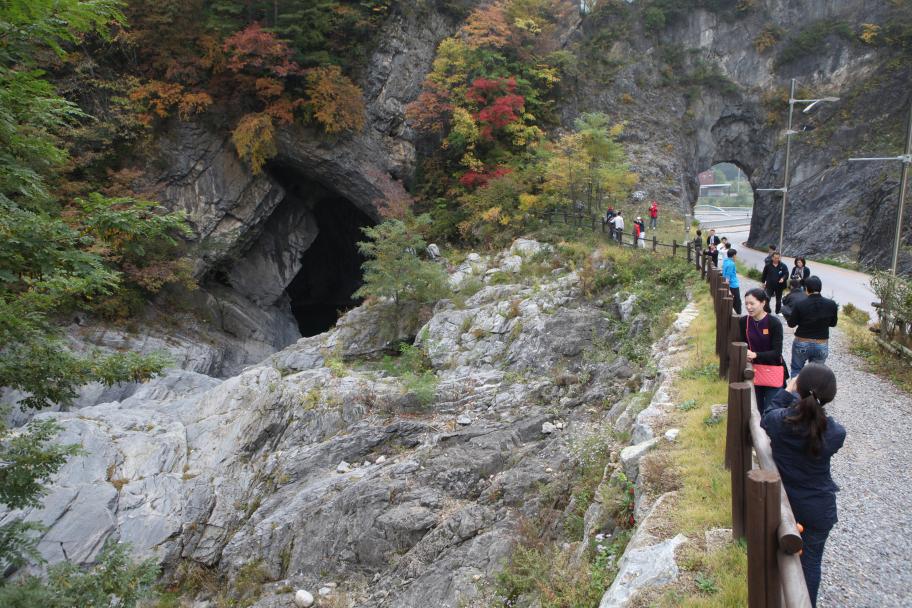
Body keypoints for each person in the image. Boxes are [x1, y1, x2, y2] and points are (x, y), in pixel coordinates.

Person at [760, 364, 845, 606]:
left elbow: (767, 415)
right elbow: (820, 428)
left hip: (785, 501)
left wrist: (787, 391)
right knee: (811, 564)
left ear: (798, 388)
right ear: (830, 396)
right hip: (818, 508)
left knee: (777, 557)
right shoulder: (836, 432)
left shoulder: (781, 421)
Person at [739, 288, 787, 414]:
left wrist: (755, 355)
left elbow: (777, 352)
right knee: (756, 410)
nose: (749, 307)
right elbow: (739, 343)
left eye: (752, 303)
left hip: (772, 370)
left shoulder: (774, 323)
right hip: (753, 372)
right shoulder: (744, 322)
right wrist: (745, 354)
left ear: (763, 303)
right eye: (746, 304)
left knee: (771, 410)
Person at [787, 276, 838, 378]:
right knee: (816, 374)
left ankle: (797, 394)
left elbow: (791, 324)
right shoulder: (831, 304)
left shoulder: (800, 304)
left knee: (797, 370)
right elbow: (833, 323)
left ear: (806, 288)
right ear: (820, 288)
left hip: (802, 340)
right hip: (821, 343)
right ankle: (812, 393)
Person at [722, 248, 741, 314]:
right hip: (733, 285)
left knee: (735, 301)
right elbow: (728, 275)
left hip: (730, 284)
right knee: (737, 302)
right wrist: (727, 287)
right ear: (733, 255)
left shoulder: (725, 261)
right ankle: (738, 316)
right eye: (736, 255)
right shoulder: (731, 264)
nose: (736, 257)